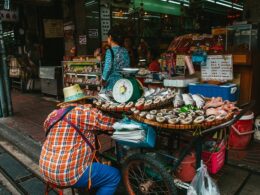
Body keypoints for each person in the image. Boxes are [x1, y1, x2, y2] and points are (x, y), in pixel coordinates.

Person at [39, 84, 120, 195]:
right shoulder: (82, 111)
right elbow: (111, 123)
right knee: (114, 176)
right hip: (67, 174)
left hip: (45, 169)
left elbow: (47, 131)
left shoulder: (52, 115)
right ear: (82, 101)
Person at [102, 27, 130, 91]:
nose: (107, 39)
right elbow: (127, 66)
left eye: (108, 37)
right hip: (124, 83)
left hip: (113, 84)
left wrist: (103, 79)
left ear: (110, 37)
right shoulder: (125, 51)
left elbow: (107, 68)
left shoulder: (110, 51)